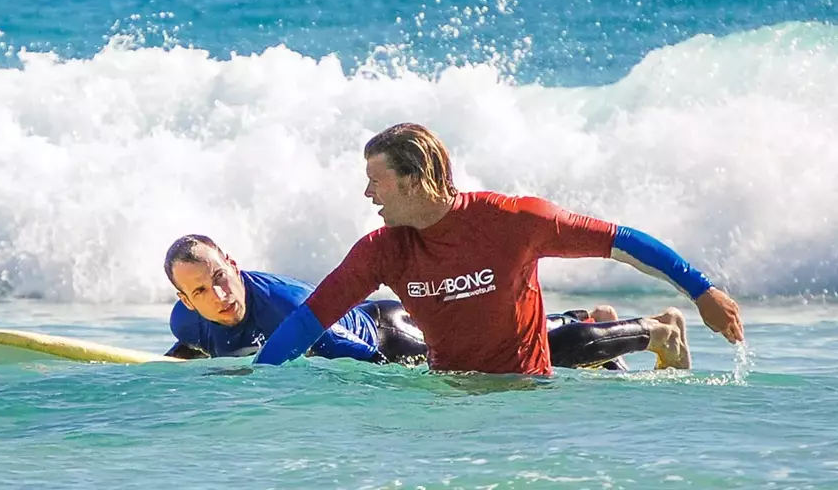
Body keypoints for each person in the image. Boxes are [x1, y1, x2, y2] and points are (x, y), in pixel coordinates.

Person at [254, 122, 744, 374]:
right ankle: (611, 325)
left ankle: (656, 331)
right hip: (452, 389)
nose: (368, 194)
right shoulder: (382, 249)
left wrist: (702, 291)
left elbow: (620, 242)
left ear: (413, 180)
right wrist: (260, 379)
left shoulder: (513, 220)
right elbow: (311, 316)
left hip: (527, 390)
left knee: (567, 346)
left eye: (375, 181)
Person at [163, 234, 693, 370]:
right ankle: (580, 319)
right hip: (378, 327)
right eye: (202, 292)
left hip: (392, 337)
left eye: (221, 276)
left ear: (231, 263)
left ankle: (655, 328)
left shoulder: (283, 303)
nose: (221, 295)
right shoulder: (187, 322)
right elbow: (198, 342)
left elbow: (363, 359)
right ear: (185, 300)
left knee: (502, 365)